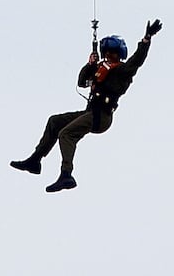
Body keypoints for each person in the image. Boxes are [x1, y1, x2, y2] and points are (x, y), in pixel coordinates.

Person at [9, 19, 163, 193]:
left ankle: (66, 174)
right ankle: (35, 161)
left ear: (118, 54)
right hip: (90, 112)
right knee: (54, 121)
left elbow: (137, 60)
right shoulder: (100, 69)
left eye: (111, 53)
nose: (108, 57)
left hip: (102, 117)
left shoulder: (122, 71)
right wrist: (89, 65)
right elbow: (82, 82)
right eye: (106, 53)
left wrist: (146, 38)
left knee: (66, 134)